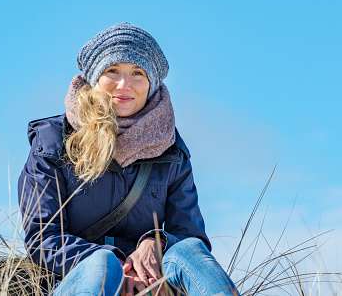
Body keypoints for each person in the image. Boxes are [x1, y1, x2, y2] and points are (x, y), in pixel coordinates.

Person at [18, 23, 240, 296]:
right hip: (75, 280)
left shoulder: (171, 150)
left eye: (137, 73)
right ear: (95, 78)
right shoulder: (53, 141)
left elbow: (189, 232)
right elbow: (44, 237)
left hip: (150, 285)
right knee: (101, 265)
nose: (124, 85)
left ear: (151, 84)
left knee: (189, 251)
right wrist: (118, 264)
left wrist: (156, 242)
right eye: (112, 71)